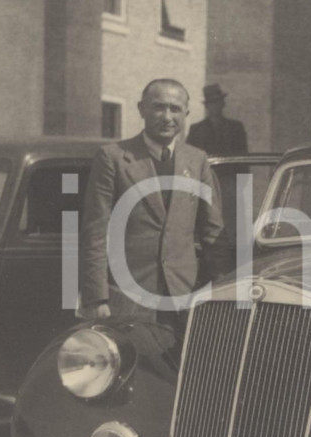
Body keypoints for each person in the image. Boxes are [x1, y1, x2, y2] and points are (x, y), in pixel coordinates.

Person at [80, 78, 225, 326]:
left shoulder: (198, 160)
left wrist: (221, 289)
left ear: (186, 114)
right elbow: (95, 231)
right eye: (159, 107)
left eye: (175, 109)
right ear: (141, 109)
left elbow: (213, 231)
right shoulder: (113, 158)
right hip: (127, 295)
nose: (167, 117)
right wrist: (97, 298)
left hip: (184, 295)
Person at [186, 83, 249, 156]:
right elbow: (190, 159)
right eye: (211, 103)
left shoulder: (236, 128)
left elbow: (242, 158)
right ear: (206, 106)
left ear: (223, 103)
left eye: (218, 101)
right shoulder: (196, 130)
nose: (215, 106)